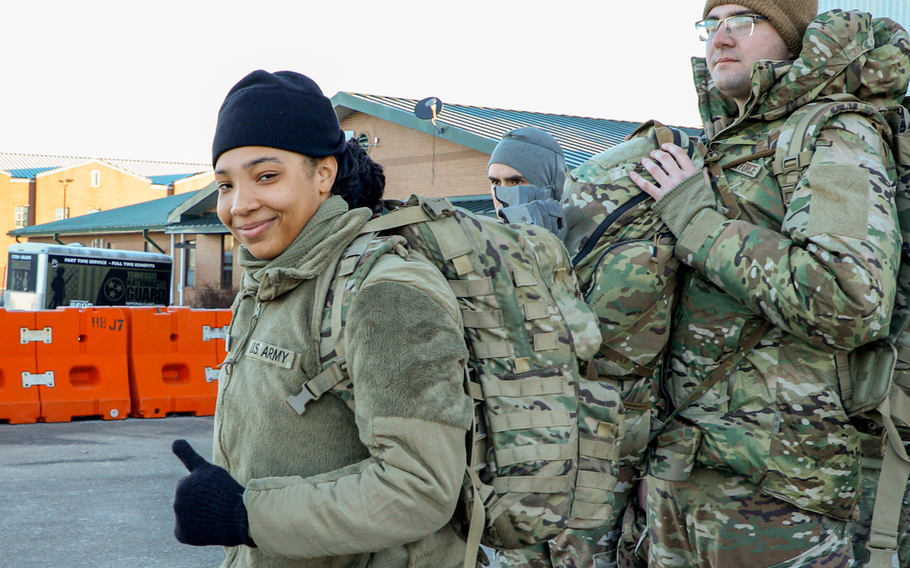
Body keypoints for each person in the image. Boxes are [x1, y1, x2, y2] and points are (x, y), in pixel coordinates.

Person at [628, 2, 906, 567]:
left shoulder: (835, 133)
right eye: (711, 25)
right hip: (681, 483)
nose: (720, 38)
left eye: (745, 20)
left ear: (791, 35)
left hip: (776, 498)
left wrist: (696, 221)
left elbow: (848, 298)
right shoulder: (725, 141)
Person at [170, 69, 474, 568]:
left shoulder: (385, 290)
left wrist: (247, 516)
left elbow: (421, 486)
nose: (240, 205)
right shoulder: (270, 282)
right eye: (225, 184)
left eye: (266, 176)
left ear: (323, 175)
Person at [488, 127, 567, 239]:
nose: (502, 195)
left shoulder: (588, 247)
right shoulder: (482, 245)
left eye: (516, 182)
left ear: (551, 184)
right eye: (496, 183)